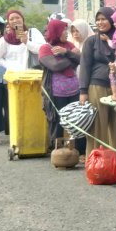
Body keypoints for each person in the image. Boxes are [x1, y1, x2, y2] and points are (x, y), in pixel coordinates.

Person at [78, 7, 116, 159]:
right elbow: (84, 66)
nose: (100, 22)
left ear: (112, 20)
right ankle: (96, 165)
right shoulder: (91, 41)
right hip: (97, 86)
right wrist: (83, 91)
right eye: (98, 19)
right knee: (97, 127)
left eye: (104, 19)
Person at [38, 20, 82, 151]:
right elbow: (55, 66)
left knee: (76, 121)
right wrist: (71, 56)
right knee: (57, 121)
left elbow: (80, 60)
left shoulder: (68, 45)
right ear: (55, 31)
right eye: (63, 30)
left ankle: (77, 151)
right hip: (56, 93)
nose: (66, 33)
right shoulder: (45, 48)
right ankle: (57, 152)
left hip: (74, 90)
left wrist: (66, 53)